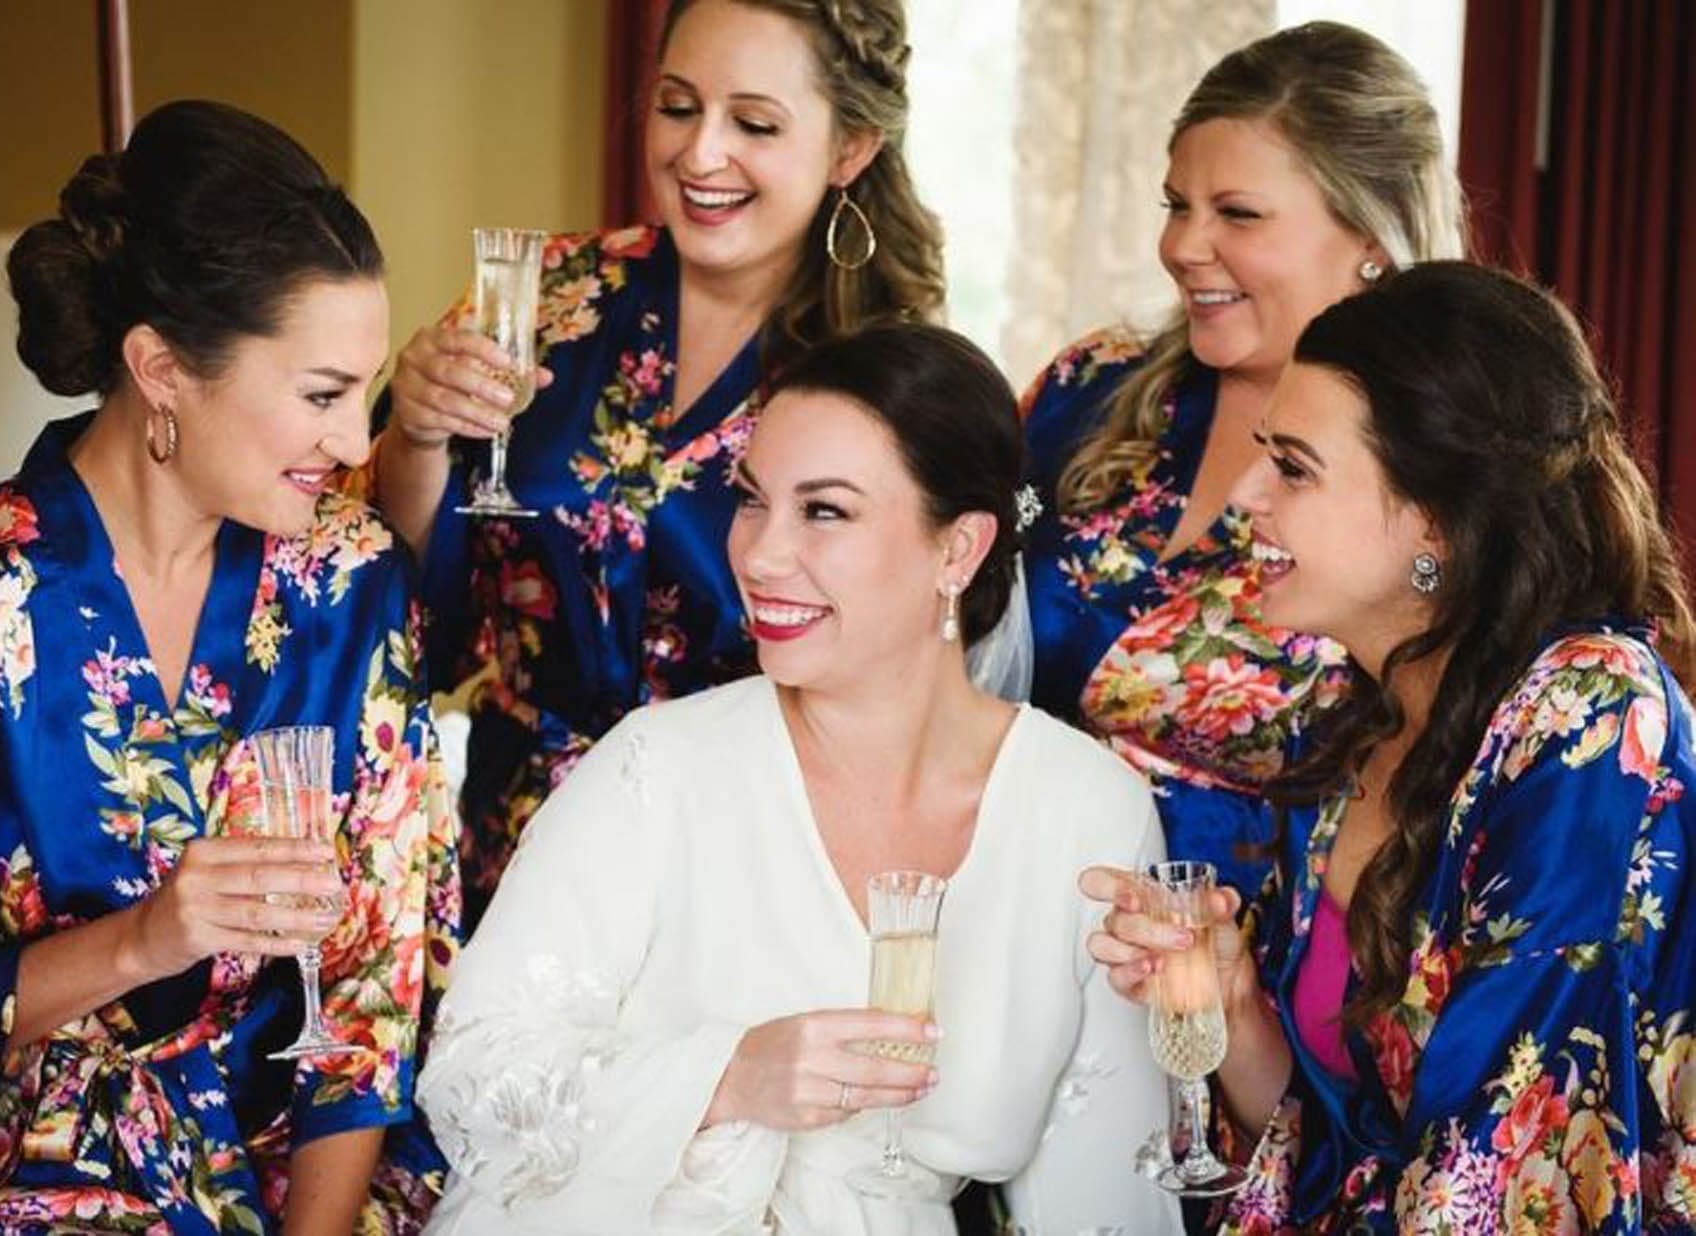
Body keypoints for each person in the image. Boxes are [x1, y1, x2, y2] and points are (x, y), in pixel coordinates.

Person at [414, 324, 1179, 1234]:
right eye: (750, 501)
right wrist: (729, 1077)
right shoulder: (655, 767)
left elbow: (1107, 1196)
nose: (761, 555)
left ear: (958, 550)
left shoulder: (1086, 811)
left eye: (824, 511)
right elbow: (469, 1078)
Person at [0, 101, 459, 1234]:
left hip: (294, 1170)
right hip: (20, 1177)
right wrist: (147, 940)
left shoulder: (349, 582)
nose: (358, 445)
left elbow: (373, 990)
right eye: (321, 394)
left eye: (365, 390)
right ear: (159, 368)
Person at [1085, 262, 1696, 1232]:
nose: (1244, 495)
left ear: (1437, 521)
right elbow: (1336, 1147)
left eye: (1292, 466)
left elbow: (1498, 1176)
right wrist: (1236, 1006)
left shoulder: (1588, 716)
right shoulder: (1359, 715)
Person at [366, 0, 946, 921]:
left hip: (748, 856)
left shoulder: (889, 372)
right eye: (678, 107)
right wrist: (417, 436)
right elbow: (403, 592)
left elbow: (910, 670)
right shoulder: (550, 294)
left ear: (851, 149)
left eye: (753, 123)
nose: (700, 153)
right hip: (518, 840)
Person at [1020, 22, 1463, 896]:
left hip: (1255, 977)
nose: (1184, 246)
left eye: (1237, 214)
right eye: (1176, 205)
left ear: (1371, 237)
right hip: (1016, 909)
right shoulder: (1089, 389)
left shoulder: (1439, 465)